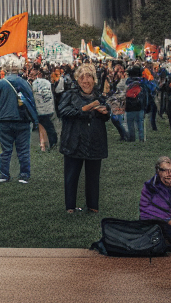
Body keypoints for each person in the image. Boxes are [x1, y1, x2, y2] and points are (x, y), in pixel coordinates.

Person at [57, 63, 110, 214]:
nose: (85, 80)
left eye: (89, 77)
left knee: (93, 176)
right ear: (77, 80)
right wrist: (86, 109)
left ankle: (93, 206)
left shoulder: (100, 96)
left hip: (95, 141)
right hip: (74, 141)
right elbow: (63, 112)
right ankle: (70, 207)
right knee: (71, 176)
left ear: (94, 80)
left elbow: (107, 116)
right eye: (82, 77)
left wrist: (105, 112)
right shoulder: (70, 94)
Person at [0, 69, 37, 183]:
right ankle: (24, 175)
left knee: (6, 150)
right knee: (23, 150)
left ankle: (4, 175)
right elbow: (31, 101)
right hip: (22, 120)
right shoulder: (24, 83)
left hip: (3, 121)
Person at [31, 68, 58, 152]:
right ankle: (44, 144)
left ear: (37, 74)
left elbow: (35, 96)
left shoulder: (35, 84)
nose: (30, 77)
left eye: (32, 75)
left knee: (47, 127)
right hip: (49, 108)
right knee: (45, 126)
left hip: (41, 110)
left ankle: (51, 143)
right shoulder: (47, 83)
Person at [123, 64, 148, 142]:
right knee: (140, 123)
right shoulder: (142, 82)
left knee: (130, 123)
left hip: (129, 105)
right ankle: (141, 138)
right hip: (139, 105)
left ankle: (132, 138)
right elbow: (146, 94)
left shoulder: (127, 81)